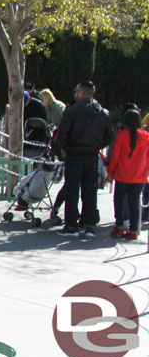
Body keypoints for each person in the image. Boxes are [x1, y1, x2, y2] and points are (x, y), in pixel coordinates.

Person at [56, 80, 112, 238]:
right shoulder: (104, 113)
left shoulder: (72, 111)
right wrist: (97, 146)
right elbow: (109, 136)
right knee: (90, 190)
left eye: (76, 91)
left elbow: (62, 135)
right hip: (92, 154)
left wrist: (66, 148)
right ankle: (89, 225)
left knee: (72, 189)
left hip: (74, 153)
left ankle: (71, 225)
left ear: (81, 93)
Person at [106, 107, 149, 240]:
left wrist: (110, 172)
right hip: (139, 176)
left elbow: (115, 157)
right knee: (135, 201)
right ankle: (134, 229)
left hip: (123, 175)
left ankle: (119, 226)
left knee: (119, 199)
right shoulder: (146, 137)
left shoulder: (121, 135)